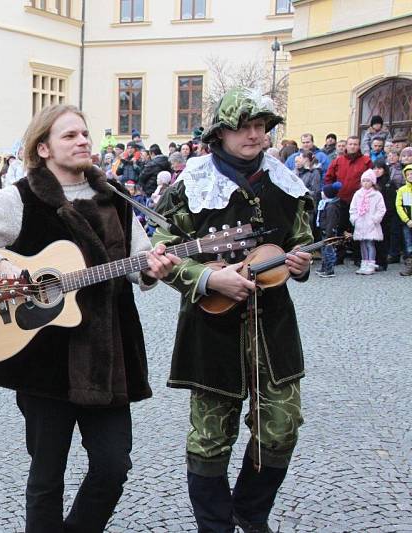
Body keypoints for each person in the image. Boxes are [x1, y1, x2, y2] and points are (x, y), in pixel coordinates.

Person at [0, 104, 178, 533]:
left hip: (111, 354)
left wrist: (150, 269)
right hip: (44, 356)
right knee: (47, 476)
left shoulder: (116, 199)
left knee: (113, 464)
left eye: (85, 134)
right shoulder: (23, 197)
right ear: (44, 147)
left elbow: (137, 259)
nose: (83, 140)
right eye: (70, 135)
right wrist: (2, 270)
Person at [152, 87, 313, 533]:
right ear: (220, 133)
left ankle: (250, 510)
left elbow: (301, 240)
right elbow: (160, 253)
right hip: (212, 326)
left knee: (281, 428)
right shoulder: (191, 185)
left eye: (262, 126)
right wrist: (206, 278)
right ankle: (215, 525)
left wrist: (300, 261)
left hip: (273, 328)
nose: (255, 135)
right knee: (210, 438)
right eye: (245, 126)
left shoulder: (285, 182)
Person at [324, 135, 373, 264]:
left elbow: (372, 179)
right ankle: (339, 257)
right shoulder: (338, 161)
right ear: (346, 146)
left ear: (359, 146)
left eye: (355, 144)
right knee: (340, 229)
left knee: (358, 228)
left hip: (360, 201)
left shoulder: (366, 161)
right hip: (341, 200)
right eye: (350, 144)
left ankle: (358, 257)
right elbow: (328, 178)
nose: (353, 146)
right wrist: (333, 190)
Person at [349, 169, 385, 275]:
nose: (365, 183)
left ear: (372, 182)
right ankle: (364, 262)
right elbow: (353, 208)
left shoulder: (377, 195)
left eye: (368, 181)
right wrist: (354, 219)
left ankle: (371, 263)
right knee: (362, 243)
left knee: (370, 243)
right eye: (363, 181)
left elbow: (381, 209)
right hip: (360, 223)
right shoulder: (357, 194)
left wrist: (375, 219)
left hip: (371, 223)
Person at [316, 182, 342, 278]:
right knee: (324, 250)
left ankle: (329, 269)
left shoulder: (331, 206)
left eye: (323, 192)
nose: (321, 193)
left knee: (329, 250)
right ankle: (324, 267)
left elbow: (331, 222)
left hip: (328, 232)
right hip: (324, 230)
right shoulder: (324, 203)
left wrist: (329, 233)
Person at [396, 164, 412, 276]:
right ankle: (410, 266)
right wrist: (407, 220)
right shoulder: (402, 190)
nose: (410, 176)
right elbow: (399, 206)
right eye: (408, 174)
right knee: (409, 245)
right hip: (408, 223)